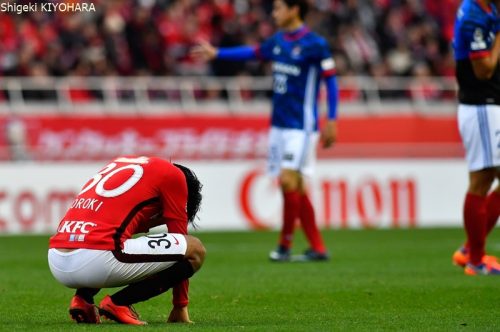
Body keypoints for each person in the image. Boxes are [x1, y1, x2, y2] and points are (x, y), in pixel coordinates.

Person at [191, 0, 338, 262]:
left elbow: (332, 81)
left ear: (294, 10)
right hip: (278, 126)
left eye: (279, 8)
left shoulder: (316, 44)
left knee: (288, 180)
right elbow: (254, 52)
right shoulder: (279, 41)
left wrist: (333, 120)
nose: (274, 13)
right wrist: (218, 53)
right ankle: (318, 247)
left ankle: (284, 245)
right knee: (297, 186)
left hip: (301, 127)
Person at [47, 156, 205, 324]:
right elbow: (181, 241)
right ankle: (119, 303)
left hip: (56, 259)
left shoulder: (122, 163)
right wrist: (180, 307)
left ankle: (83, 299)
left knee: (114, 241)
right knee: (195, 249)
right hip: (95, 259)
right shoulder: (174, 177)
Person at [452, 0, 500, 275]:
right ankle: (475, 260)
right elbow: (484, 70)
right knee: (480, 181)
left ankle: (471, 250)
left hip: (490, 105)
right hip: (481, 105)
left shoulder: (487, 9)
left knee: (486, 180)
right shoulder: (473, 15)